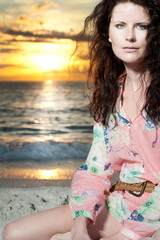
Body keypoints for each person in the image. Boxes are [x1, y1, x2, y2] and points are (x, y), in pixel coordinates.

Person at [2, 0, 160, 239]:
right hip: (120, 206)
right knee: (14, 232)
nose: (129, 36)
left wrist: (127, 235)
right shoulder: (111, 96)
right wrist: (79, 225)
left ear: (155, 32)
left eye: (141, 26)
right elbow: (95, 171)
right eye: (120, 25)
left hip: (154, 218)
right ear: (108, 33)